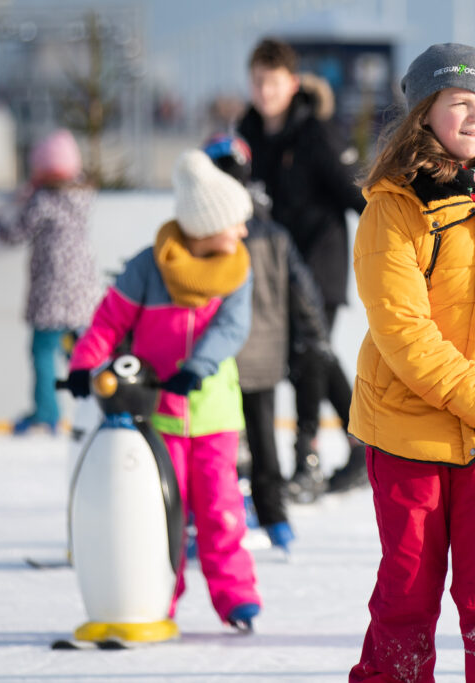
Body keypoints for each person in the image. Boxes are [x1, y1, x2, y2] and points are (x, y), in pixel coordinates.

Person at [348, 43, 475, 682]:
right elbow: (409, 342)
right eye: (459, 103)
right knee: (407, 600)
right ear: (424, 114)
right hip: (410, 432)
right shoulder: (393, 211)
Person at [66, 150, 262, 633]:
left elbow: (233, 328)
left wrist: (197, 366)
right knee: (158, 514)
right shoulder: (148, 268)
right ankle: (156, 596)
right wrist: (83, 363)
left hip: (214, 412)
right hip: (157, 415)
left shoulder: (237, 269)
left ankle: (235, 595)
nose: (242, 233)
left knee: (221, 509)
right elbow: (110, 319)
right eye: (235, 223)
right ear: (206, 225)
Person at [237, 38, 368, 501]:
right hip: (274, 274)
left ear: (291, 83)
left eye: (272, 81)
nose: (264, 90)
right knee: (305, 360)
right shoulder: (247, 134)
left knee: (310, 357)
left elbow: (357, 194)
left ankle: (306, 460)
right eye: (257, 81)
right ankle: (364, 447)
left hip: (320, 265)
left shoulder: (316, 132)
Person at [203, 132, 331, 552]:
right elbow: (304, 292)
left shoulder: (207, 235)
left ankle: (213, 520)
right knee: (262, 439)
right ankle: (276, 522)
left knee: (215, 443)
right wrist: (314, 339)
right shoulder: (275, 233)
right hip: (265, 358)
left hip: (218, 360)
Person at [0, 129, 100, 435]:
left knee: (42, 350)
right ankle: (95, 404)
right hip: (82, 295)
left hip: (52, 294)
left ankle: (46, 412)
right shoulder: (83, 196)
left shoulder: (44, 201)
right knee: (79, 352)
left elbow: (17, 233)